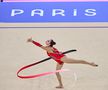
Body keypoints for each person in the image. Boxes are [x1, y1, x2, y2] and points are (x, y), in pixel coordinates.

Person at [27, 38, 98, 89]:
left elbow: (39, 45)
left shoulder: (47, 48)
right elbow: (57, 52)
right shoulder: (51, 48)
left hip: (63, 59)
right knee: (57, 72)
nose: (47, 40)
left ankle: (90, 63)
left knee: (78, 61)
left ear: (49, 43)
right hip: (59, 61)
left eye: (48, 40)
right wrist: (59, 52)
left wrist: (32, 41)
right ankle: (61, 85)